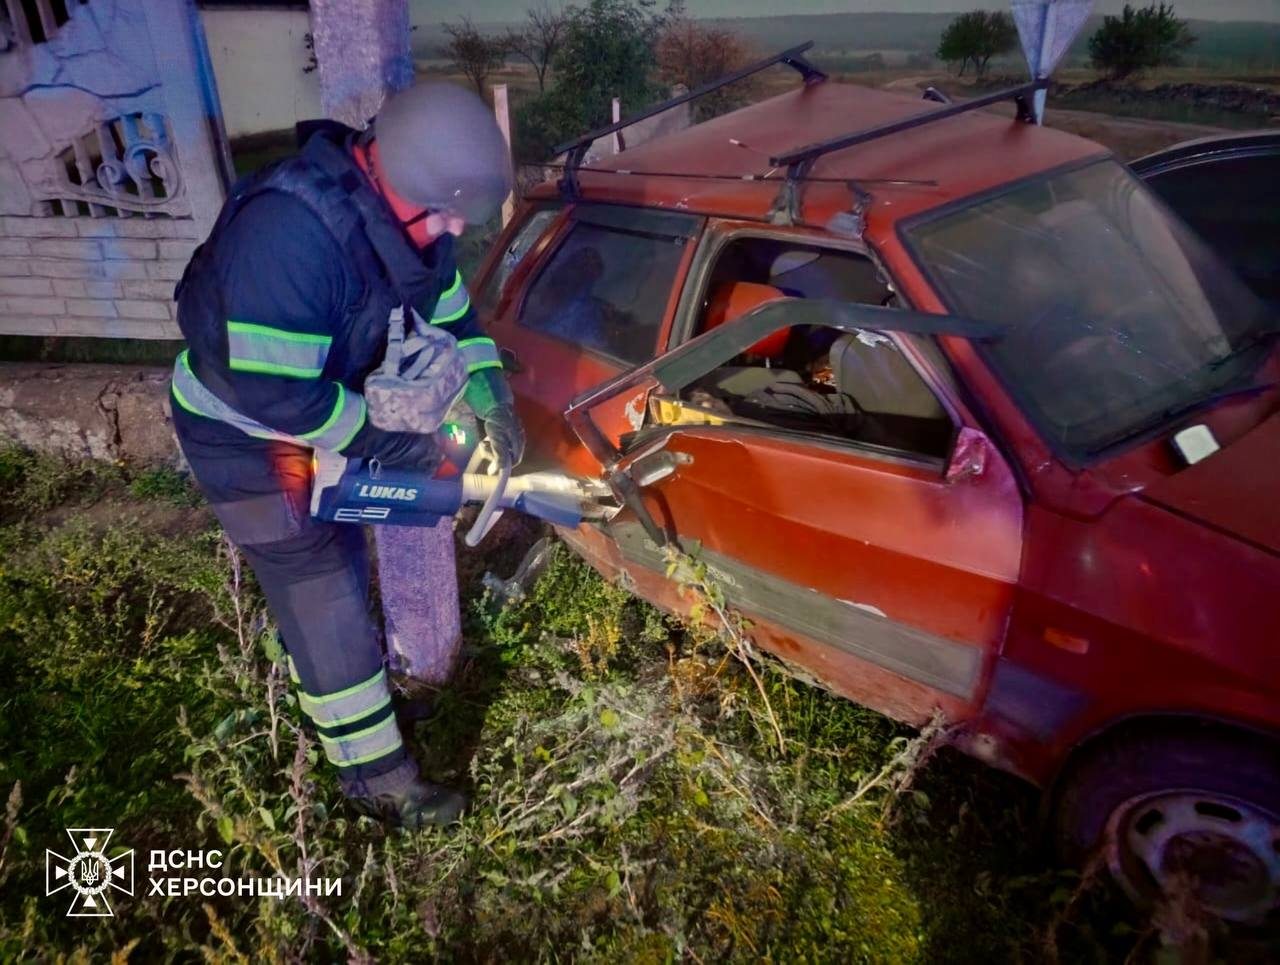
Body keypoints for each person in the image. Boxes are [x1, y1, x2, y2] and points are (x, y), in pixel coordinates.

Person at [168, 82, 523, 828]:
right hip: (242, 433)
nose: (455, 227)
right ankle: (376, 782)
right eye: (449, 211)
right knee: (318, 586)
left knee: (339, 568)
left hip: (304, 416)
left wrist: (492, 394)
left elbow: (452, 310)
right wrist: (403, 446)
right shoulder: (289, 240)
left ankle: (357, 705)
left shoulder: (409, 217)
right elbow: (281, 401)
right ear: (400, 175)